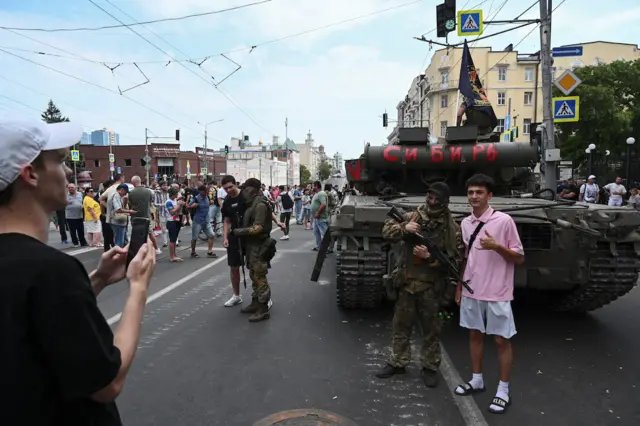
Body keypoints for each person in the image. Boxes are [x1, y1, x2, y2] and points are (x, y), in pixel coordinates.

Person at [0, 114, 156, 426]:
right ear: (30, 174)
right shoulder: (50, 269)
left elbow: (31, 326)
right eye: (58, 161)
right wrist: (137, 288)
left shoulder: (31, 268)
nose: (68, 172)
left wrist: (96, 279)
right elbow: (106, 382)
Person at [376, 182, 462, 388]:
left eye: (436, 199)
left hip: (431, 286)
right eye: (430, 197)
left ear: (444, 202)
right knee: (401, 325)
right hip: (406, 283)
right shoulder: (413, 216)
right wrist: (403, 228)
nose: (432, 202)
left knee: (432, 330)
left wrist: (429, 257)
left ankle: (430, 367)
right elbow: (386, 232)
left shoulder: (452, 229)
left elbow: (455, 262)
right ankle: (398, 362)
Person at [453, 173, 524, 415]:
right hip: (473, 289)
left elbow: (519, 257)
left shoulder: (504, 221)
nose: (474, 196)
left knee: (501, 341)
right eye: (471, 192)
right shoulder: (465, 223)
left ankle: (503, 390)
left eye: (479, 192)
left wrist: (497, 247)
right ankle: (477, 379)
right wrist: (460, 285)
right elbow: (467, 256)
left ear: (489, 195)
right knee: (474, 335)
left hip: (497, 291)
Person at [231, 178, 274, 322]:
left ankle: (263, 308)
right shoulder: (251, 204)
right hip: (251, 246)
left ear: (253, 189)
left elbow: (258, 228)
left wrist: (239, 231)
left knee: (260, 276)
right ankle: (256, 302)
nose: (243, 191)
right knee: (253, 274)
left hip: (259, 246)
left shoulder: (260, 205)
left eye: (246, 188)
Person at [221, 175, 245, 307]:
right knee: (234, 267)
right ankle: (236, 295)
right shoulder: (227, 201)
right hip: (234, 235)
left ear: (236, 184)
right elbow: (227, 221)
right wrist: (225, 238)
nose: (229, 190)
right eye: (225, 189)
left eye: (230, 187)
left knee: (255, 266)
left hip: (249, 234)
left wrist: (277, 222)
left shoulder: (245, 196)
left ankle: (262, 296)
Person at [128, 176, 162, 255]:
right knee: (150, 233)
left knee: (136, 234)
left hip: (135, 217)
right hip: (146, 215)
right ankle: (156, 249)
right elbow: (150, 202)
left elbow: (130, 204)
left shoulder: (131, 193)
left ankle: (139, 251)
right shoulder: (148, 191)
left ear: (133, 183)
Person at [188, 184, 217, 258]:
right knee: (195, 238)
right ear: (200, 192)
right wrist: (193, 206)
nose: (206, 193)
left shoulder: (207, 197)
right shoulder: (196, 198)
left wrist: (211, 202)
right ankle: (193, 252)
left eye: (207, 192)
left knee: (212, 235)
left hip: (206, 220)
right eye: (205, 192)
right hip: (198, 221)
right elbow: (187, 206)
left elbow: (209, 203)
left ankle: (209, 252)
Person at [110, 184, 136, 248]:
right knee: (119, 242)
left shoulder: (118, 196)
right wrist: (129, 211)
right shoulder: (116, 196)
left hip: (118, 221)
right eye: (125, 192)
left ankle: (120, 254)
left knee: (121, 240)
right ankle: (118, 255)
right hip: (118, 221)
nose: (125, 194)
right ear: (121, 190)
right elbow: (118, 209)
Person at [66, 183, 89, 247]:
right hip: (70, 216)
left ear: (75, 188)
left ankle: (83, 242)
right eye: (69, 188)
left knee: (81, 230)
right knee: (73, 231)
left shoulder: (80, 194)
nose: (70, 189)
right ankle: (75, 243)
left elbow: (83, 202)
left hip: (79, 215)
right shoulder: (65, 195)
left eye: (72, 187)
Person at [165, 187, 184, 262]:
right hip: (171, 221)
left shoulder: (175, 200)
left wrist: (180, 198)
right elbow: (172, 212)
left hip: (176, 220)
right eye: (175, 194)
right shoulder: (168, 202)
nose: (177, 195)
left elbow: (177, 199)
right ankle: (171, 256)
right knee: (172, 240)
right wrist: (179, 206)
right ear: (172, 194)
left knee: (175, 238)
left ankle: (174, 254)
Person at [310, 180, 329, 251]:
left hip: (321, 217)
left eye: (313, 186)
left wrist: (317, 212)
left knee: (325, 233)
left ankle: (327, 248)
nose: (312, 187)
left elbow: (323, 204)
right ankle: (319, 246)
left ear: (316, 186)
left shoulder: (321, 193)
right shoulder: (317, 193)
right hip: (316, 218)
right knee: (316, 232)